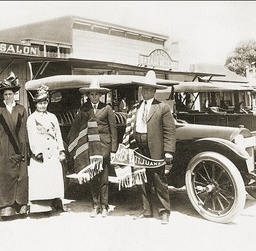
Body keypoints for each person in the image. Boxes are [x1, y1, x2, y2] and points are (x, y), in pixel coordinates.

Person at [121, 70, 176, 225]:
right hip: (138, 148)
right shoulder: (135, 108)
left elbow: (169, 131)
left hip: (156, 150)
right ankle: (146, 210)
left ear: (154, 91)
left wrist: (169, 151)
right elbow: (129, 128)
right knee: (141, 179)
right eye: (143, 89)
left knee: (159, 180)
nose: (145, 91)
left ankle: (164, 212)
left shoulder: (162, 108)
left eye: (148, 89)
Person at [68, 79, 118, 218]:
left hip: (104, 148)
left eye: (96, 94)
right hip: (90, 148)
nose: (94, 96)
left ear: (100, 95)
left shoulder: (107, 109)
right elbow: (76, 128)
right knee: (93, 178)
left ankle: (105, 206)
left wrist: (113, 150)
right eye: (91, 94)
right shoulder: (84, 109)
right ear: (88, 95)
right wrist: (75, 146)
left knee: (104, 178)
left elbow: (113, 131)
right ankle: (95, 205)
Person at [0, 72, 29, 219]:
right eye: (5, 94)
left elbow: (25, 131)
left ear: (14, 94)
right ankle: (5, 207)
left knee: (20, 177)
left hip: (19, 148)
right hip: (3, 148)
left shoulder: (21, 109)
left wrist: (27, 150)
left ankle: (20, 206)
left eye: (10, 93)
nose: (8, 96)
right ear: (2, 96)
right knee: (4, 177)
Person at [27, 85, 67, 212]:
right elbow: (32, 136)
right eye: (40, 104)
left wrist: (61, 149)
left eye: (44, 103)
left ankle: (56, 202)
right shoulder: (32, 118)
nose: (42, 106)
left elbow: (58, 134)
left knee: (53, 177)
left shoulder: (52, 117)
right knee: (41, 178)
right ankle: (41, 206)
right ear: (36, 104)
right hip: (41, 152)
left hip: (53, 151)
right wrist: (37, 152)